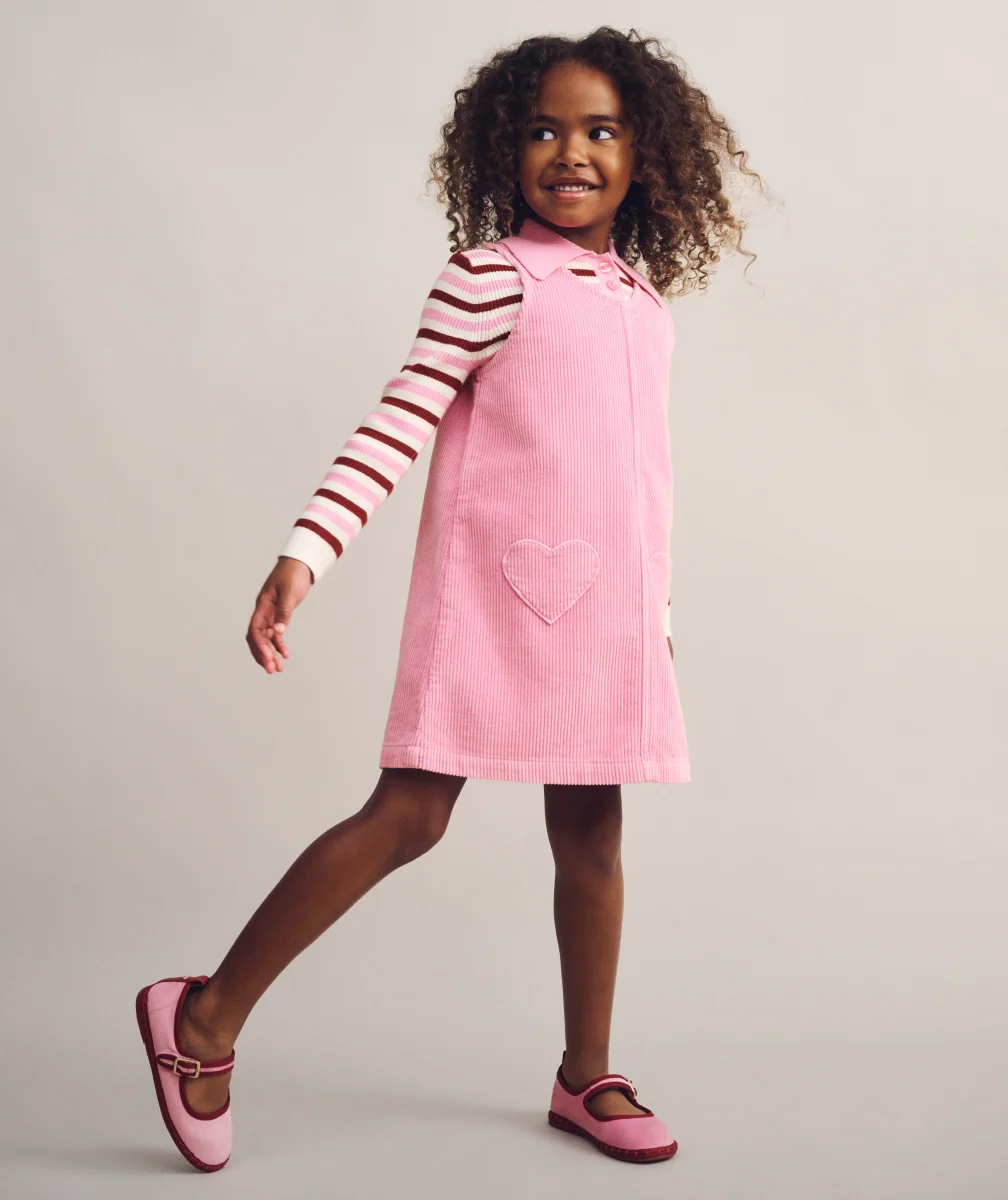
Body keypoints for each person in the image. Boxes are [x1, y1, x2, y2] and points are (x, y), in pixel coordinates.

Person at [135, 25, 764, 1172]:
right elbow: (400, 417)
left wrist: (658, 620)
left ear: (645, 156)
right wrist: (305, 552)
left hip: (608, 617)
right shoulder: (492, 277)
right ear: (504, 150)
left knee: (594, 835)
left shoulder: (641, 301)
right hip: (495, 603)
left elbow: (643, 485)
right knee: (411, 816)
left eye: (601, 130)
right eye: (543, 130)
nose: (570, 152)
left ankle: (586, 1074)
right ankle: (203, 1016)